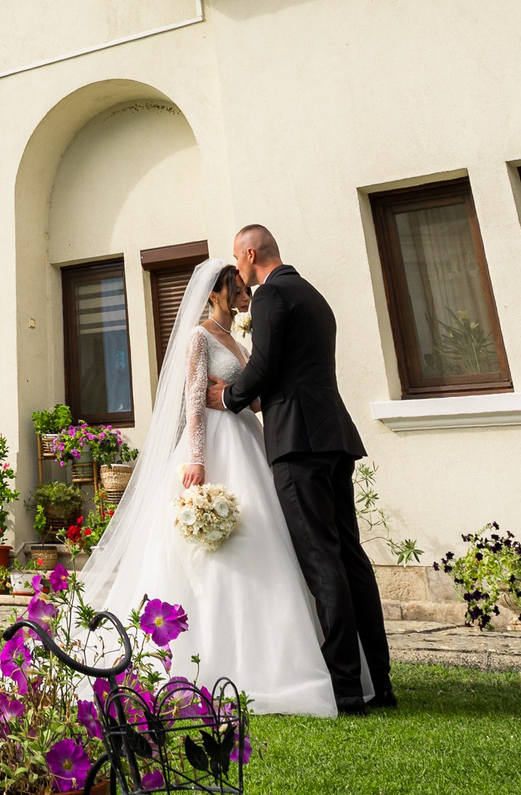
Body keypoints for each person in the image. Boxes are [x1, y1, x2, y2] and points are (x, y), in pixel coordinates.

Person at [80, 260, 353, 716]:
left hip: (248, 442)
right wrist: (197, 458)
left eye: (245, 290)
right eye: (236, 291)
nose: (244, 298)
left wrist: (242, 393)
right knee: (211, 550)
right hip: (213, 448)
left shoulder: (238, 342)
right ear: (213, 295)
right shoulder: (199, 337)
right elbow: (193, 399)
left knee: (263, 536)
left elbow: (254, 397)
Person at [207, 224, 395, 712]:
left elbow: (265, 365)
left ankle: (345, 686)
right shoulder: (312, 294)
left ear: (250, 254)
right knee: (350, 556)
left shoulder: (273, 295)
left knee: (320, 557)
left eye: (237, 258)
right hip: (333, 436)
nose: (238, 270)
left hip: (298, 441)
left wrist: (228, 397)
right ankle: (379, 680)